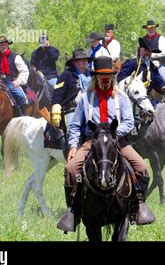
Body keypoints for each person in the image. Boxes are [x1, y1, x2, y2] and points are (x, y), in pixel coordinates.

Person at [57, 56, 155, 232]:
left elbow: (129, 122)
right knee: (71, 169)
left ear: (112, 77)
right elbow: (75, 125)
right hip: (91, 141)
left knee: (141, 167)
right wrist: (73, 145)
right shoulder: (85, 98)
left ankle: (137, 205)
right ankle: (73, 210)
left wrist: (113, 135)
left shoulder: (122, 98)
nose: (105, 80)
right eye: (101, 77)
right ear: (95, 78)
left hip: (117, 139)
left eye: (108, 76)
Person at [51, 49, 92, 134]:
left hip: (91, 108)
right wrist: (56, 109)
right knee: (72, 132)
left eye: (84, 59)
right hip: (72, 109)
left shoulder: (92, 75)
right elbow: (58, 92)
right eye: (79, 60)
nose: (82, 62)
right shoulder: (66, 74)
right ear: (74, 63)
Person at [0, 35, 29, 116]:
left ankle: (23, 115)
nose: (3, 46)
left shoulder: (16, 57)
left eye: (4, 44)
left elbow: (24, 70)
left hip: (11, 82)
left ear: (8, 44)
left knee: (21, 96)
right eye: (1, 44)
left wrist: (18, 81)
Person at [142, 20, 165, 86]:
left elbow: (162, 52)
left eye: (152, 28)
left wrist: (151, 55)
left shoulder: (161, 38)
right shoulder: (143, 39)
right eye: (149, 28)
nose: (150, 30)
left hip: (158, 63)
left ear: (155, 28)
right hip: (145, 63)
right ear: (146, 29)